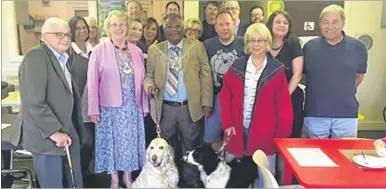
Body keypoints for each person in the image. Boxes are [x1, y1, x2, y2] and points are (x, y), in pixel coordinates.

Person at [9, 17, 86, 188]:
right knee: (53, 185)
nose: (66, 38)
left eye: (68, 34)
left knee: (73, 182)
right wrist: (54, 132)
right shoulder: (36, 56)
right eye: (59, 34)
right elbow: (34, 101)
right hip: (46, 136)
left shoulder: (63, 58)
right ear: (45, 36)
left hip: (66, 131)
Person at [219, 23, 293, 187]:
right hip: (236, 130)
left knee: (264, 177)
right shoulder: (236, 66)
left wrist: (280, 135)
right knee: (234, 177)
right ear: (247, 42)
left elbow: (283, 105)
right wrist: (228, 123)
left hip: (265, 132)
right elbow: (225, 97)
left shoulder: (276, 70)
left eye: (260, 40)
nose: (256, 44)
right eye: (252, 40)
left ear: (267, 42)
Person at [145, 13, 213, 187]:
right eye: (169, 26)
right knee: (165, 148)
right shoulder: (155, 49)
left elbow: (206, 75)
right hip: (165, 107)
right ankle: (167, 180)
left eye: (177, 26)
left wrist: (207, 101)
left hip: (189, 107)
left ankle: (190, 180)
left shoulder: (196, 47)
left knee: (191, 145)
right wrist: (150, 87)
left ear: (183, 28)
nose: (174, 30)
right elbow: (148, 76)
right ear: (164, 29)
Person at [87, 10, 148, 188]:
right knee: (112, 144)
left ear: (127, 27)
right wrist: (93, 108)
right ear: (108, 28)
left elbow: (143, 80)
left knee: (130, 144)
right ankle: (114, 178)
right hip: (109, 108)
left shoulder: (136, 51)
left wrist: (144, 105)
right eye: (114, 24)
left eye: (122, 24)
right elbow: (92, 82)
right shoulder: (99, 51)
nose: (118, 28)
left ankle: (127, 177)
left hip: (132, 106)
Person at [303, 4, 367, 138]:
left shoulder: (358, 47)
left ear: (343, 23)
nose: (330, 27)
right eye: (325, 22)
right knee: (314, 156)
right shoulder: (309, 47)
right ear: (319, 24)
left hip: (346, 114)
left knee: (344, 156)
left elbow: (359, 75)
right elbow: (304, 76)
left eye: (335, 22)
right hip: (315, 113)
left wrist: (342, 90)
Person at [203, 11, 244, 150]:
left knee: (235, 138)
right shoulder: (207, 45)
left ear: (234, 24)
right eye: (220, 24)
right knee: (211, 137)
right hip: (215, 99)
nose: (224, 27)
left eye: (227, 23)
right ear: (215, 27)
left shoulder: (244, 44)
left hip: (239, 100)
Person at [266, 11, 304, 138]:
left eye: (285, 23)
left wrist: (282, 98)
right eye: (278, 22)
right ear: (270, 24)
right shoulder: (262, 43)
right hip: (267, 99)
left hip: (290, 96)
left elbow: (297, 74)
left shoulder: (294, 44)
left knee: (289, 137)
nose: (281, 25)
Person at [68, 16, 95, 182]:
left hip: (93, 105)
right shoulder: (69, 53)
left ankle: (84, 171)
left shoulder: (93, 50)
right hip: (77, 107)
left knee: (90, 143)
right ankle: (78, 175)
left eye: (84, 27)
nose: (82, 31)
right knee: (84, 141)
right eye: (77, 28)